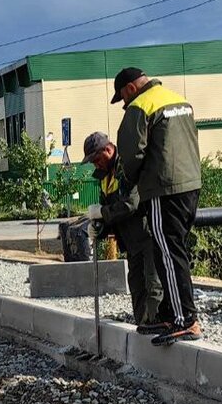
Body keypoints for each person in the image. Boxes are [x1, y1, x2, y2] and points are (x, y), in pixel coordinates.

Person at [110, 67, 203, 345]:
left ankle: (184, 319)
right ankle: (166, 312)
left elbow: (132, 154)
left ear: (129, 89)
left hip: (164, 188)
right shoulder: (178, 100)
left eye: (122, 99)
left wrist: (129, 179)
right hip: (190, 184)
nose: (124, 104)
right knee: (175, 248)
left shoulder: (139, 106)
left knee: (168, 251)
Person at [81, 132, 163, 329]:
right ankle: (144, 328)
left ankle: (158, 327)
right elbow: (110, 214)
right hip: (131, 242)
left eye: (97, 159)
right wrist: (99, 227)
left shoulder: (127, 167)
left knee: (153, 286)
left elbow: (131, 204)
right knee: (136, 285)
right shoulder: (104, 177)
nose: (96, 164)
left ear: (108, 150)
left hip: (148, 235)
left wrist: (102, 212)